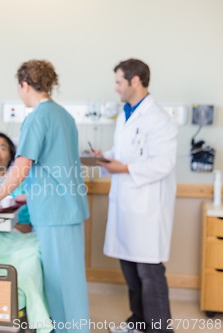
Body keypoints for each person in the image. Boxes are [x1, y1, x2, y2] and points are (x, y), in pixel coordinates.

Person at [0, 60, 90, 333]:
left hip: (55, 214)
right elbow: (57, 167)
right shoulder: (64, 116)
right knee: (71, 281)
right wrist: (30, 198)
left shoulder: (37, 118)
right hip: (68, 208)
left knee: (60, 284)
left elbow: (20, 170)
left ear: (24, 85)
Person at [93, 59, 177, 333]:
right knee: (130, 270)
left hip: (147, 208)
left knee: (149, 273)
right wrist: (106, 157)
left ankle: (160, 329)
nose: (116, 88)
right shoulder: (126, 113)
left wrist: (124, 167)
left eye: (119, 82)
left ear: (135, 81)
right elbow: (127, 152)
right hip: (126, 204)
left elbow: (163, 164)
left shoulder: (159, 119)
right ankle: (139, 322)